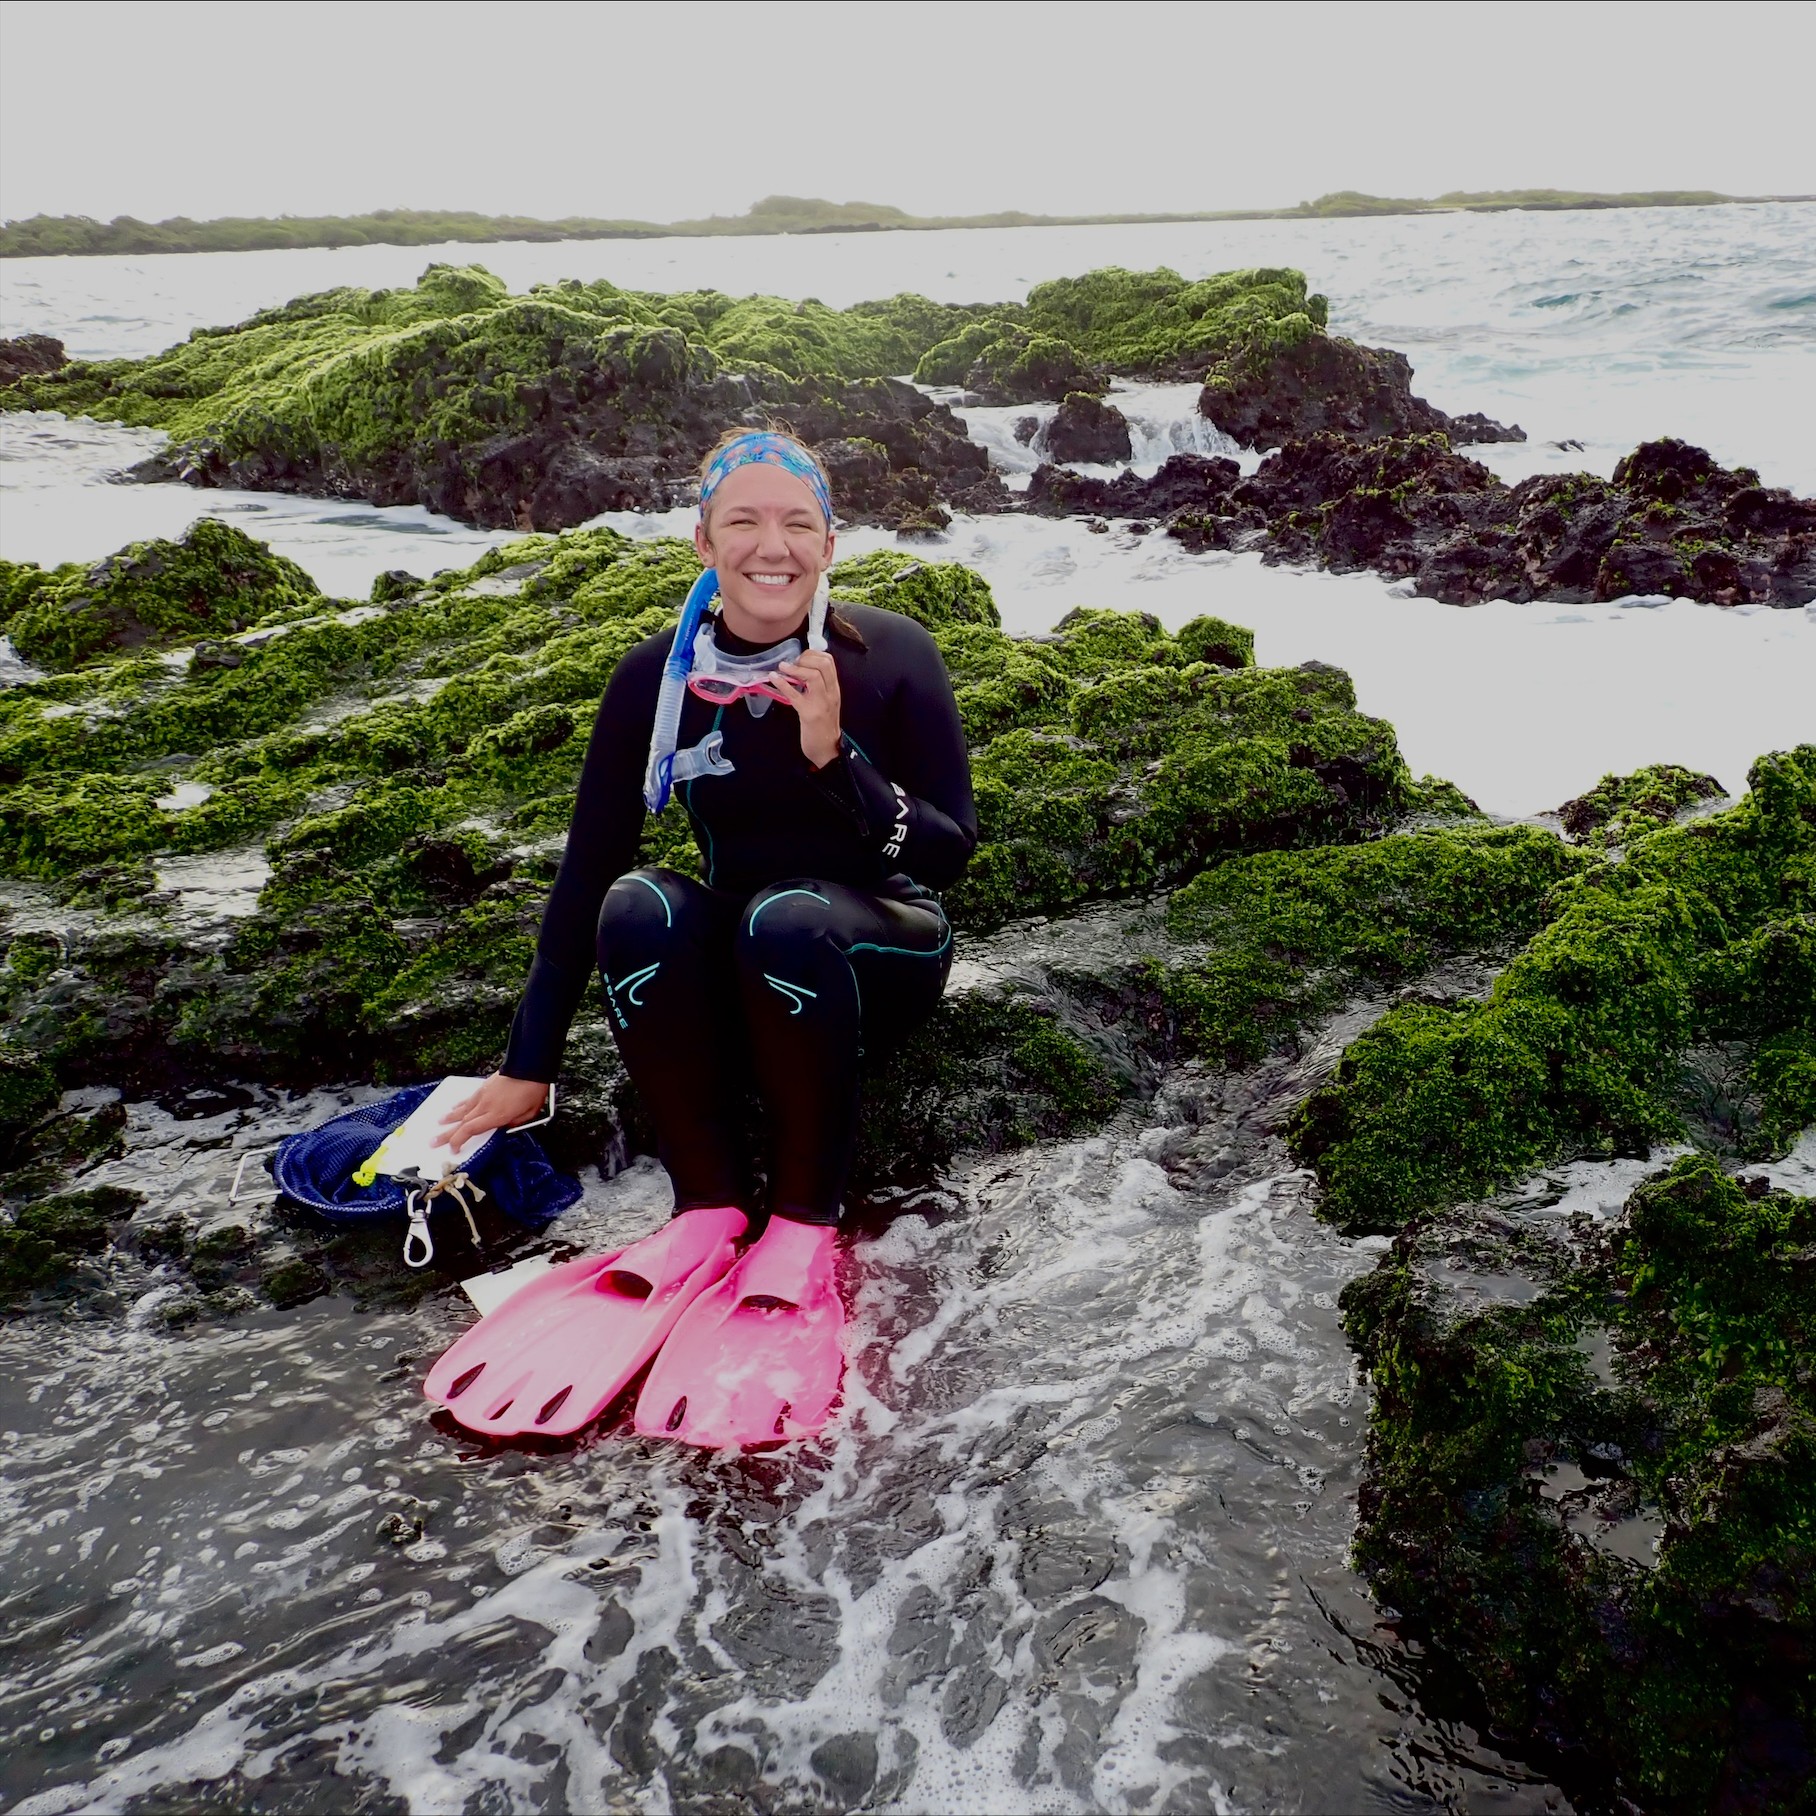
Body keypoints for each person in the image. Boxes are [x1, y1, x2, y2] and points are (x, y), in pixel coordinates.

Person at [429, 428, 976, 1445]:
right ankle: (709, 1210)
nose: (772, 546)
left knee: (787, 919)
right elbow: (588, 868)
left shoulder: (891, 655)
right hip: (746, 955)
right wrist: (528, 1063)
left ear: (829, 541)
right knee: (638, 903)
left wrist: (835, 758)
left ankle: (806, 1225)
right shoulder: (656, 680)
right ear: (701, 541)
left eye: (797, 524)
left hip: (874, 943)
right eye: (744, 521)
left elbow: (949, 854)